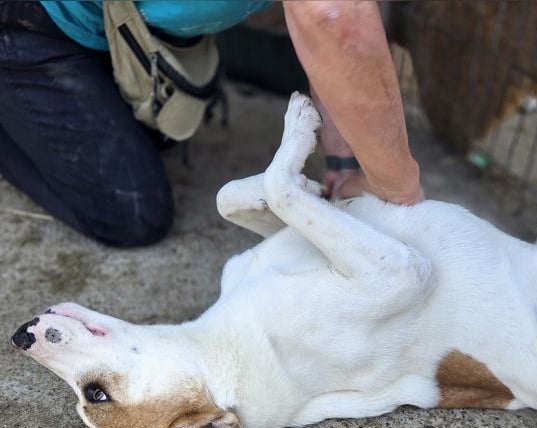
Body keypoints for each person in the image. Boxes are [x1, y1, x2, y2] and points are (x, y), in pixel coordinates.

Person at [0, 1, 422, 247]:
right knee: (128, 212)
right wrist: (396, 188)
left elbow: (330, 30)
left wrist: (345, 163)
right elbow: (332, 16)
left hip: (119, 30)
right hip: (30, 21)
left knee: (158, 135)